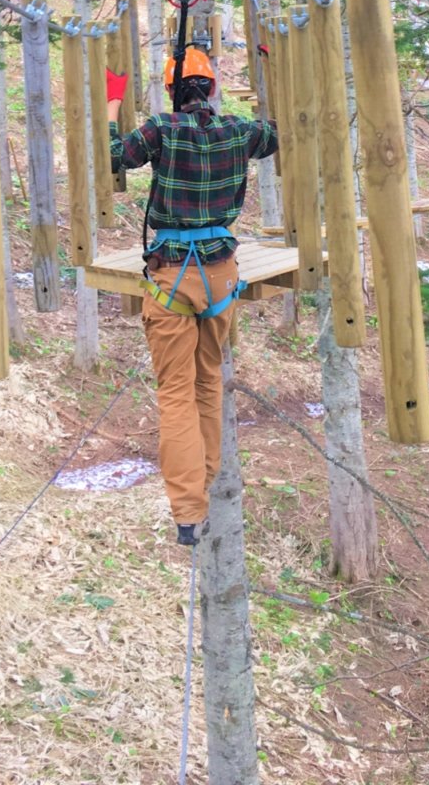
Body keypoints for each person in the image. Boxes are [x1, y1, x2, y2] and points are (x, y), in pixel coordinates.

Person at [106, 47, 277, 545]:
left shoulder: (163, 128)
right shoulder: (239, 131)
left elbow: (117, 155)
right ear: (213, 89)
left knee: (176, 394)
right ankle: (201, 485)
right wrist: (268, 69)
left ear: (171, 91)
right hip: (221, 276)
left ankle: (187, 511)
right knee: (206, 383)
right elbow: (275, 133)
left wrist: (114, 103)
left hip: (174, 276)